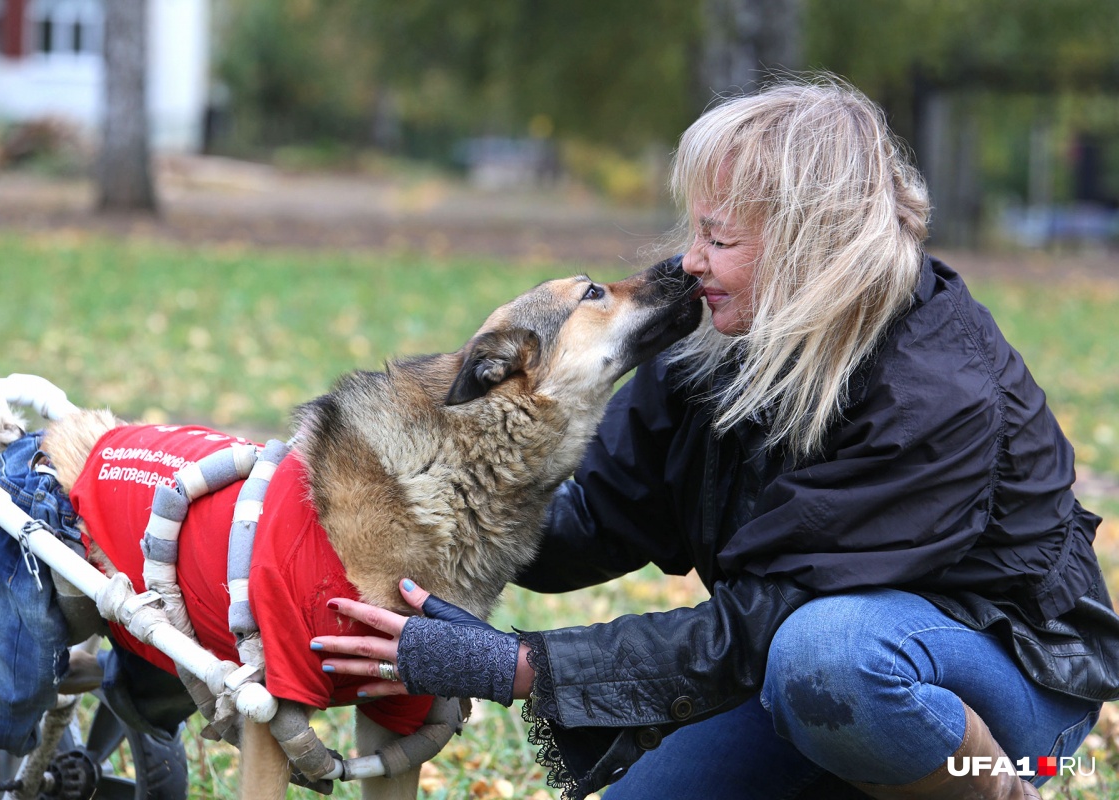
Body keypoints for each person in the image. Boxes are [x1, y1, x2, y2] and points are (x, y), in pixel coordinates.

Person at [310, 76, 1119, 800]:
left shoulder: (936, 393)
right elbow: (601, 516)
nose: (689, 261)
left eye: (721, 239)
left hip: (1004, 685)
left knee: (830, 655)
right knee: (813, 676)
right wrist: (413, 502)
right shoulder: (717, 329)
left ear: (815, 247)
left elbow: (770, 621)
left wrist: (516, 666)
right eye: (696, 230)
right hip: (795, 676)